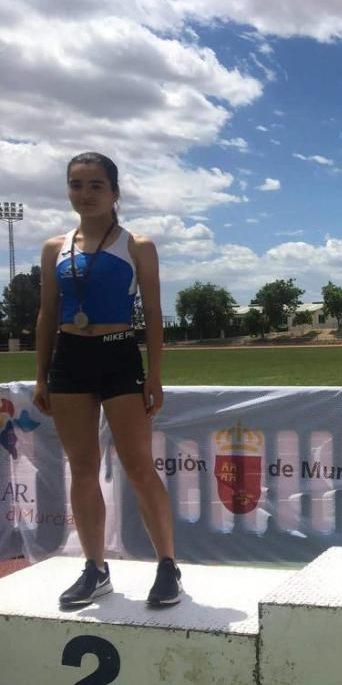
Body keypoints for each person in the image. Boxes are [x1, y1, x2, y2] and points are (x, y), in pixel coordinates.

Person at [33, 152, 182, 609]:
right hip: (70, 359)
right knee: (81, 467)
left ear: (115, 192)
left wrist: (154, 373)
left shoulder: (137, 245)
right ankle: (95, 569)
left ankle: (167, 567)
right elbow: (47, 313)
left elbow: (153, 312)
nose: (86, 193)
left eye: (97, 185)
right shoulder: (55, 247)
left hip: (119, 354)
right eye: (76, 184)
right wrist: (41, 375)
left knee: (138, 466)